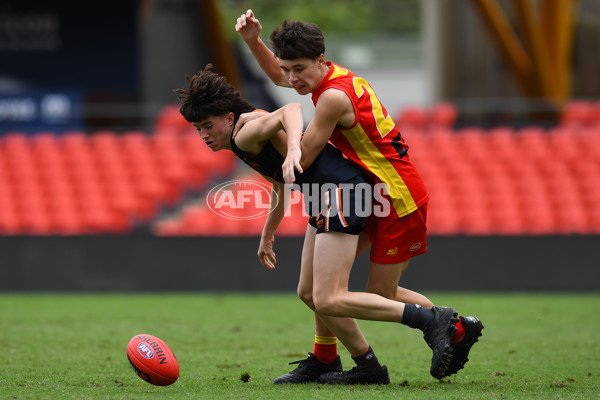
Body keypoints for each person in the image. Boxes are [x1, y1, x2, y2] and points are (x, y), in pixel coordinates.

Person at [235, 10, 484, 382]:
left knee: (378, 293)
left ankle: (455, 328)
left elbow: (303, 159)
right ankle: (330, 357)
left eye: (298, 69)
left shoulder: (333, 97)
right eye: (287, 68)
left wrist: (259, 139)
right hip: (370, 192)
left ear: (320, 60)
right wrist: (254, 41)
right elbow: (276, 77)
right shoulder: (328, 77)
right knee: (322, 289)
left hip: (397, 198)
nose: (291, 78)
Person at [176, 65, 463, 384]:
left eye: (207, 125)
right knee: (309, 292)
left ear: (228, 118)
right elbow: (280, 182)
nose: (203, 135)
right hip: (327, 193)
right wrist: (268, 232)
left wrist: (296, 150)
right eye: (197, 128)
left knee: (328, 297)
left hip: (340, 192)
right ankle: (336, 359)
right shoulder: (245, 132)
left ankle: (428, 321)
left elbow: (291, 108)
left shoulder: (244, 133)